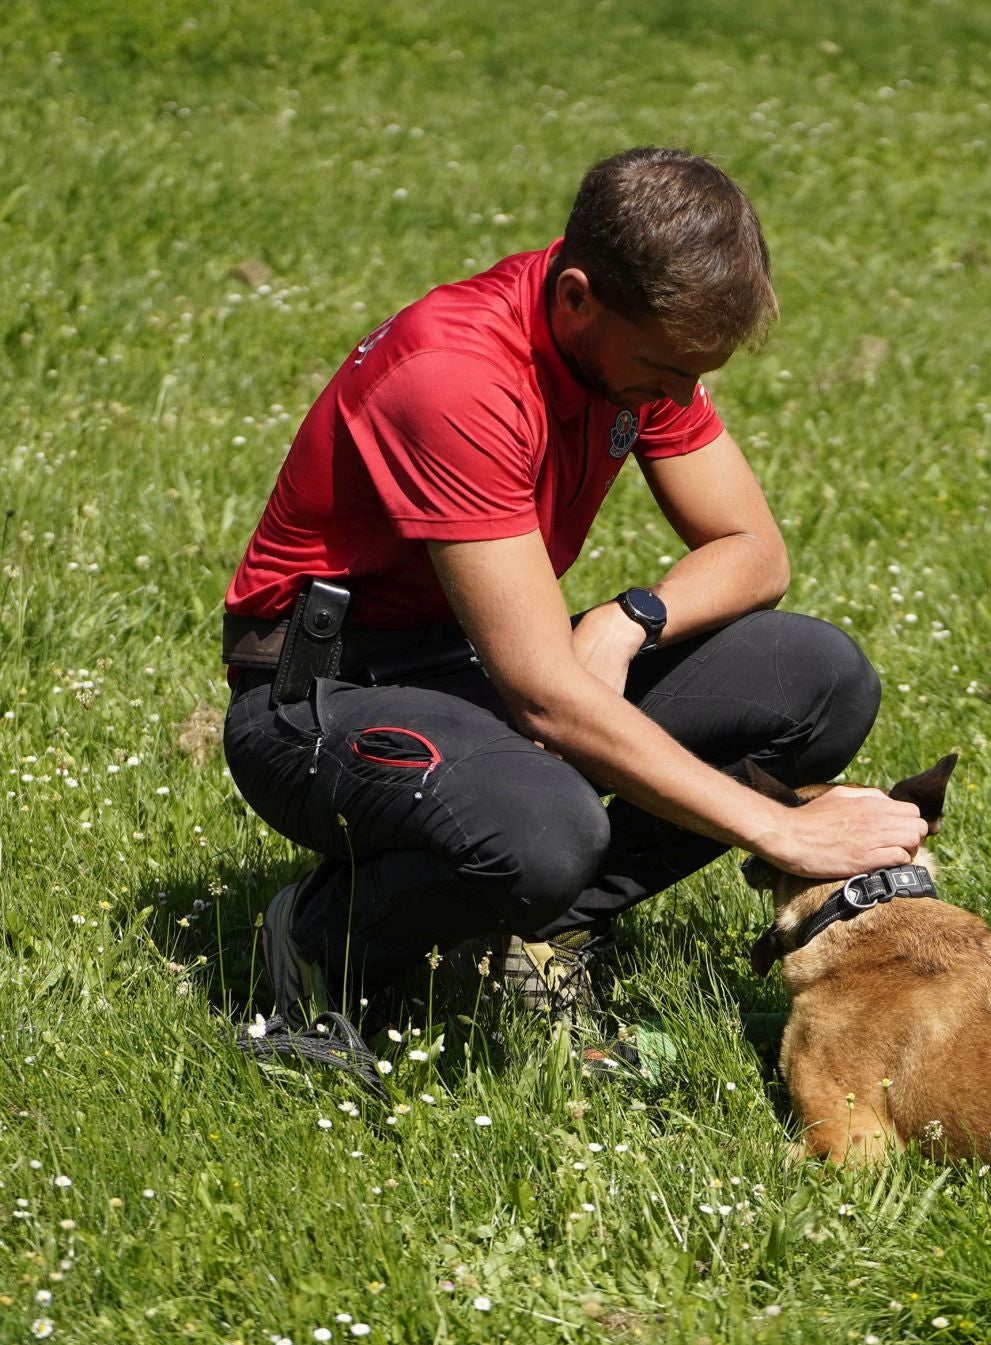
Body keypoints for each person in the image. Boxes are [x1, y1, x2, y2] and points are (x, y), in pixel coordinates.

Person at [220, 146, 927, 1029]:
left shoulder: (634, 339)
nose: (682, 394)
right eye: (667, 370)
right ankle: (322, 940)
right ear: (578, 296)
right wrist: (777, 829)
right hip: (320, 695)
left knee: (817, 679)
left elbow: (754, 552)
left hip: (475, 660)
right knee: (546, 830)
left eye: (696, 373)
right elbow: (546, 700)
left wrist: (630, 621)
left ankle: (530, 930)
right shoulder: (459, 377)